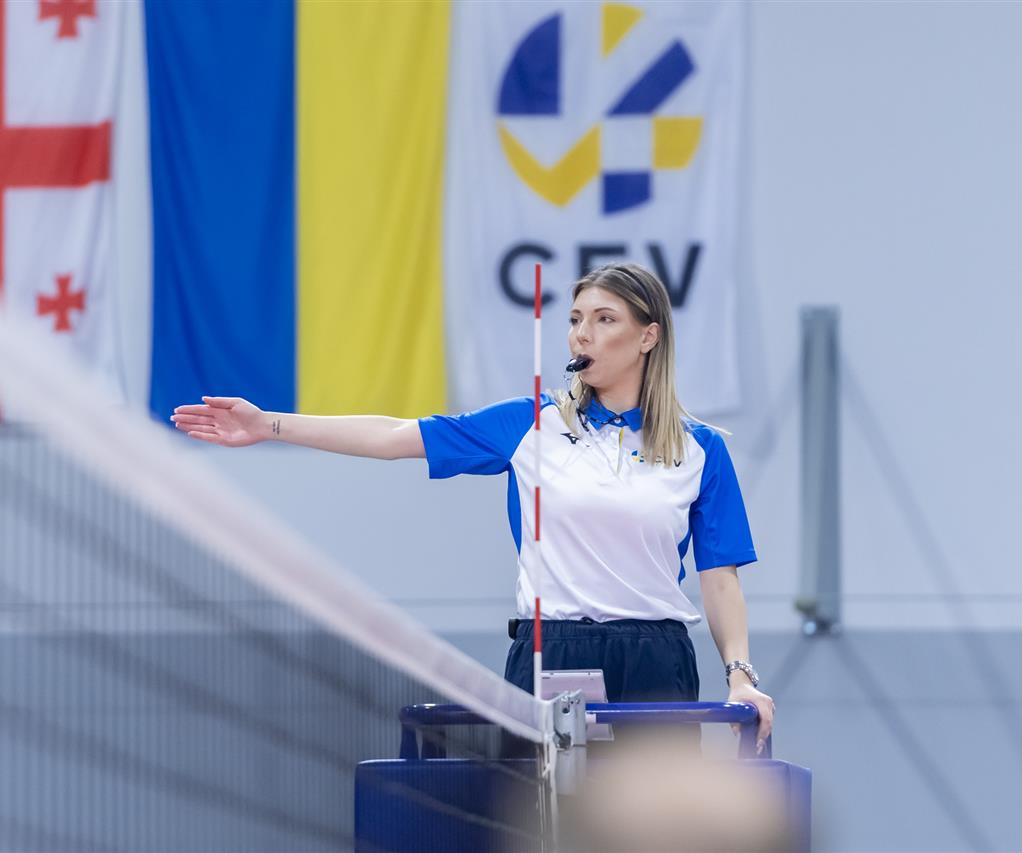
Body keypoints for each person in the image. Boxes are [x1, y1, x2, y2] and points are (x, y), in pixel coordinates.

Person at [170, 262, 775, 751]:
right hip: (552, 653)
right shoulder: (528, 423)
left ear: (648, 337)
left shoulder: (701, 449)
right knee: (541, 832)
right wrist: (270, 424)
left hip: (657, 661)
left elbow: (720, 577)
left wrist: (741, 676)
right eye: (574, 319)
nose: (581, 334)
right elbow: (394, 435)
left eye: (604, 319)